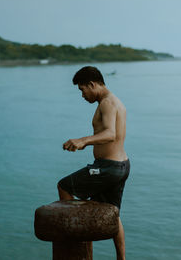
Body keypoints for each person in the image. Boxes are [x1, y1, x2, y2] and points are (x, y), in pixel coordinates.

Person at [58, 66, 130, 260]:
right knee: (113, 213)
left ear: (92, 84)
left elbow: (110, 133)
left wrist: (83, 140)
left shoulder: (107, 103)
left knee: (65, 186)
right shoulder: (116, 102)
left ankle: (76, 245)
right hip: (121, 165)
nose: (82, 95)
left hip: (108, 168)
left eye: (83, 89)